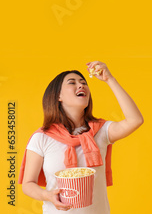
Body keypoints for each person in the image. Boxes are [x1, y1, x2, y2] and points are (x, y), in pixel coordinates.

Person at [19, 61, 144, 213]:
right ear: (58, 96)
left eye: (84, 82)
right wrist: (47, 195)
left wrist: (109, 79)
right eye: (72, 82)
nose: (81, 85)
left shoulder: (101, 131)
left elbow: (135, 120)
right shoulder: (42, 138)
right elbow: (28, 183)